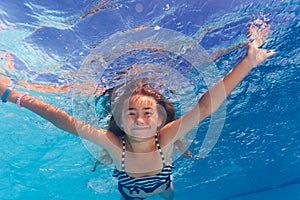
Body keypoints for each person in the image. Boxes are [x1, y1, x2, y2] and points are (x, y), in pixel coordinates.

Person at [0, 23, 275, 199]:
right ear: (120, 119)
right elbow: (66, 121)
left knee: (168, 195)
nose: (140, 119)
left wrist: (248, 63)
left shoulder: (165, 137)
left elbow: (204, 106)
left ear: (160, 120)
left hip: (164, 182)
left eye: (147, 114)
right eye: (131, 113)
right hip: (129, 191)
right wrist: (12, 95)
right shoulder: (112, 142)